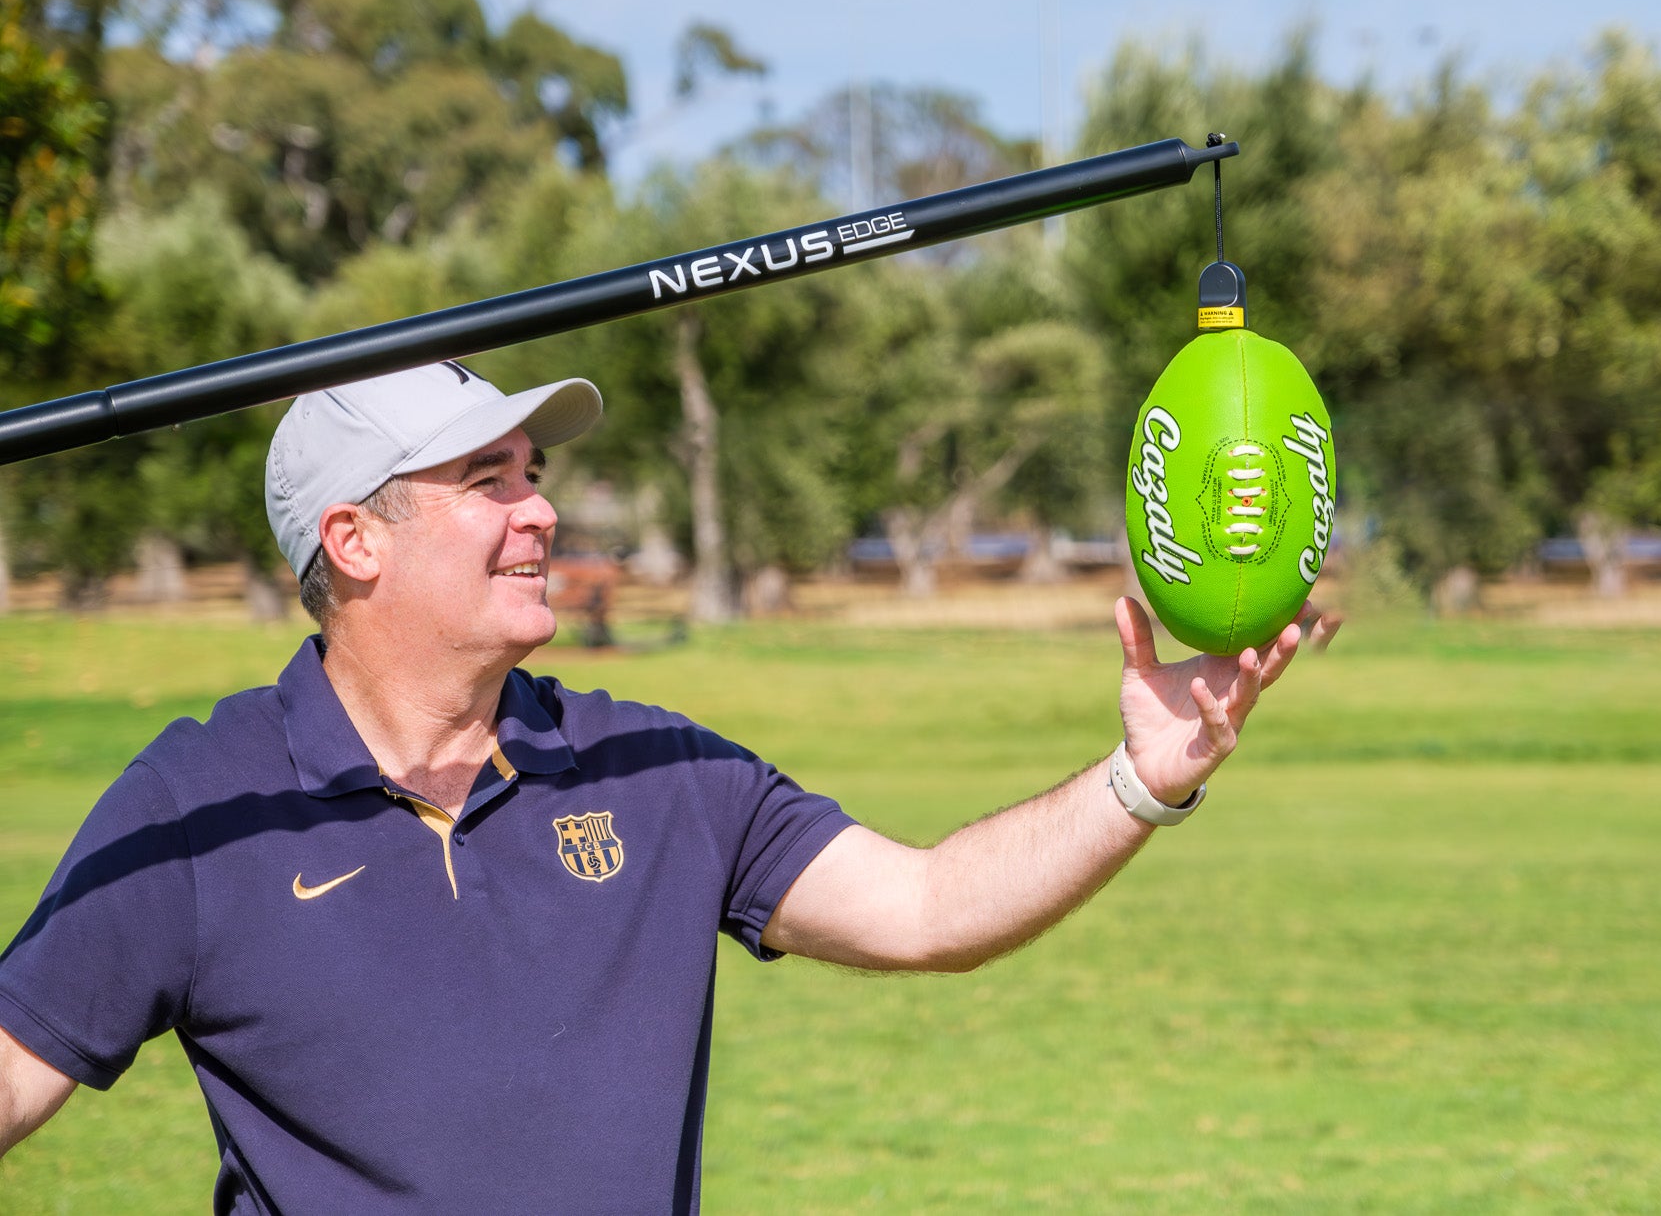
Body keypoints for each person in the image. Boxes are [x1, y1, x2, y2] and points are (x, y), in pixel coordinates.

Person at [0, 362, 1336, 1213]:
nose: (542, 513)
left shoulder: (659, 774)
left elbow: (926, 905)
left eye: (536, 474)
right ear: (352, 540)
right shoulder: (202, 804)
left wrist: (1140, 779)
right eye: (486, 480)